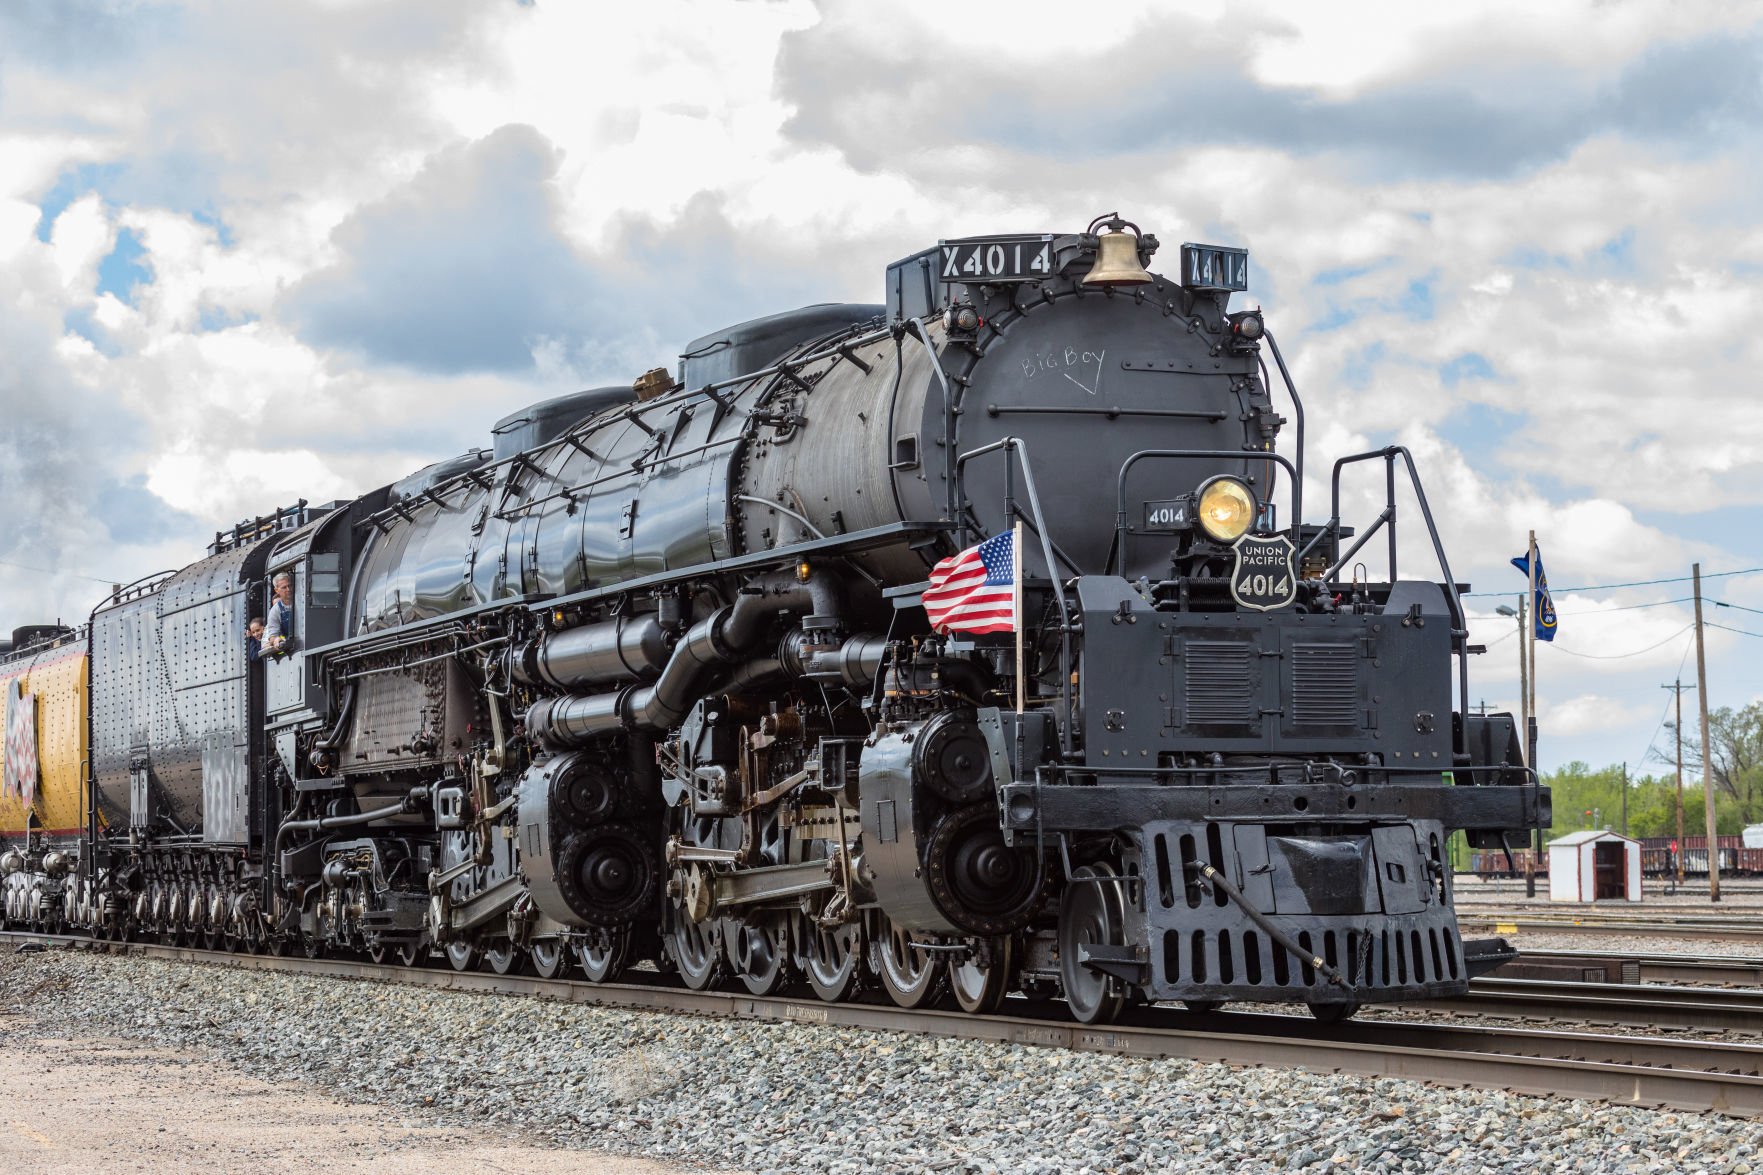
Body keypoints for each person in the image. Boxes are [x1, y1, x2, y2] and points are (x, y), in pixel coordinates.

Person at [263, 573, 295, 654]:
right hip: (292, 650)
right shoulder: (275, 611)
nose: (288, 589)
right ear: (276, 590)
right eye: (284, 587)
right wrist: (276, 639)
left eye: (290, 586)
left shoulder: (303, 601)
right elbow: (273, 635)